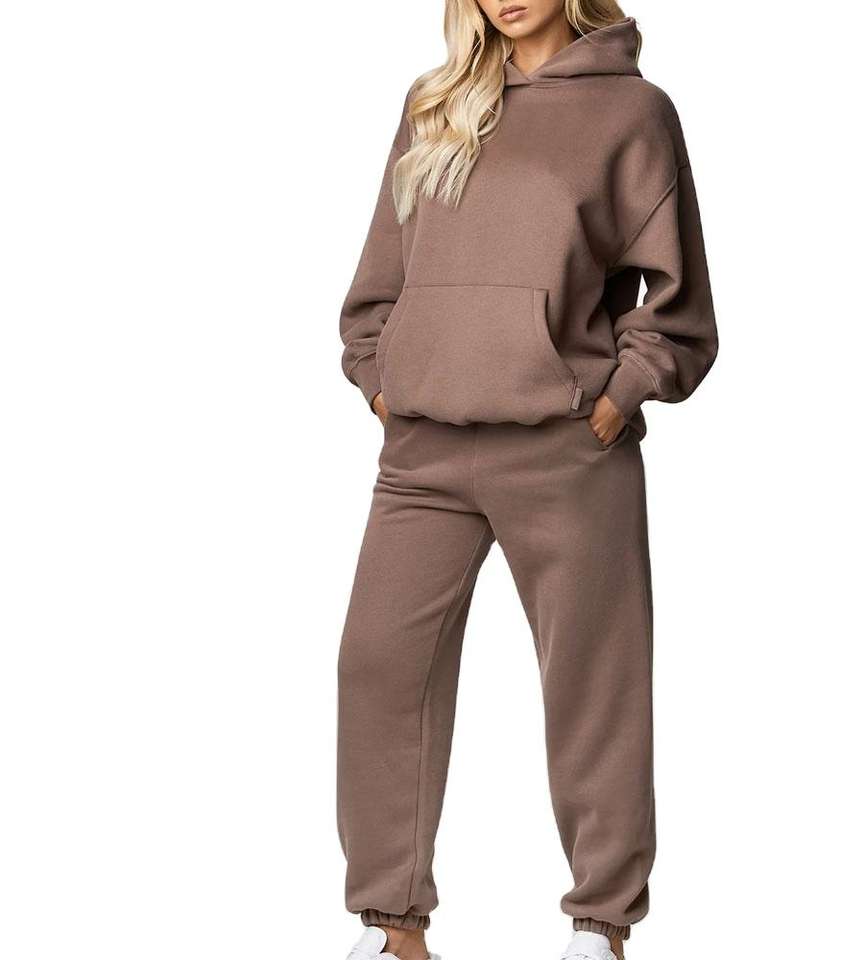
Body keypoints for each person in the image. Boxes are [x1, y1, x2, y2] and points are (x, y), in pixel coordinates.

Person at [337, 2, 717, 957]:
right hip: (423, 451)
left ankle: (601, 925)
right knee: (379, 667)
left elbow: (677, 300)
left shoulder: (632, 111)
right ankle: (392, 926)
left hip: (564, 447)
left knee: (595, 684)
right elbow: (379, 281)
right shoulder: (435, 105)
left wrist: (618, 396)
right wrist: (382, 382)